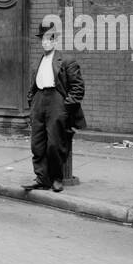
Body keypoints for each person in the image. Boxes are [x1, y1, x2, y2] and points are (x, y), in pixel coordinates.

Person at [24, 16, 87, 193]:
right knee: (37, 143)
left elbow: (78, 88)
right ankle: (42, 178)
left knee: (54, 144)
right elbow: (34, 85)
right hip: (39, 101)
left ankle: (57, 178)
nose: (45, 42)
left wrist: (66, 107)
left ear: (56, 40)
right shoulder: (40, 61)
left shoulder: (66, 60)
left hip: (57, 102)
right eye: (43, 39)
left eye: (49, 39)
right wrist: (32, 101)